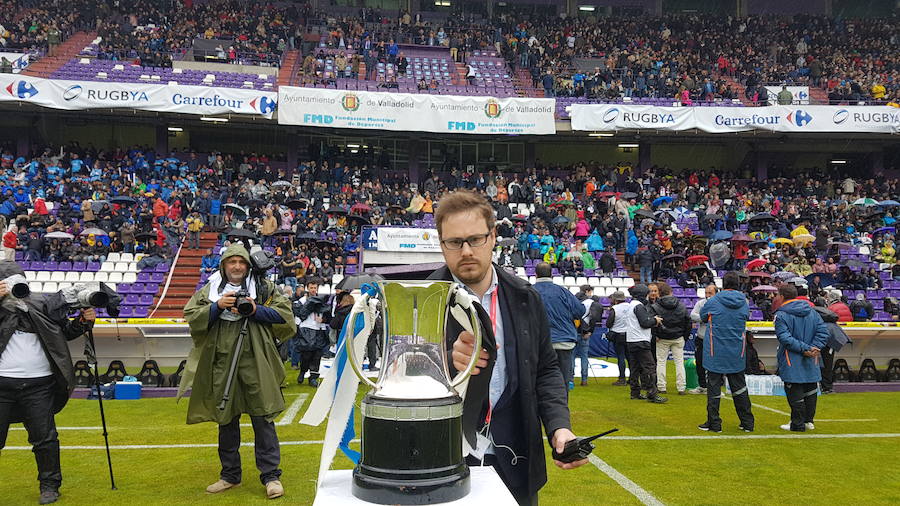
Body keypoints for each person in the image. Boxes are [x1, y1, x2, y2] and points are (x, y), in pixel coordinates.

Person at [429, 190, 586, 505]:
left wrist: (559, 428)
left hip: (516, 461)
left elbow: (546, 369)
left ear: (493, 236)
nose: (467, 250)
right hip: (441, 462)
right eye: (454, 242)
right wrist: (444, 360)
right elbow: (399, 374)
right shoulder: (423, 300)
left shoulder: (526, 297)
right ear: (441, 243)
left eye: (475, 239)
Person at [181, 244, 296, 499]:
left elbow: (285, 316)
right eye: (231, 262)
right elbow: (191, 314)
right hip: (222, 359)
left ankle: (271, 476)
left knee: (263, 416)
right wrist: (217, 306)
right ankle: (230, 475)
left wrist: (255, 310)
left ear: (247, 265)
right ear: (223, 265)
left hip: (256, 359)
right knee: (226, 418)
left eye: (241, 262)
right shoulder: (211, 289)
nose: (236, 267)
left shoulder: (264, 288)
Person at [0, 262, 96, 505]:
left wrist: (84, 322)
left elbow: (64, 332)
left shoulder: (42, 306)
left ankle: (50, 485)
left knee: (45, 439)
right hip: (2, 385)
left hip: (39, 385)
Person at [698, 272, 754, 432]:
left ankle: (714, 423)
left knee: (714, 387)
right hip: (737, 350)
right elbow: (745, 317)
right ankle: (747, 422)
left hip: (715, 350)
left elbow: (703, 316)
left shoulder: (714, 301)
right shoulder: (744, 302)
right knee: (740, 387)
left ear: (723, 284)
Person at [774, 283, 829, 432]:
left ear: (782, 296)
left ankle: (797, 423)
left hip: (792, 357)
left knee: (795, 389)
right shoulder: (812, 312)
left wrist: (806, 349)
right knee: (810, 388)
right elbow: (823, 332)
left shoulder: (781, 315)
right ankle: (808, 421)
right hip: (812, 356)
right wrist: (813, 348)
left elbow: (784, 338)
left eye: (777, 295)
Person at [532, 262, 586, 391]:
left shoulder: (530, 291)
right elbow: (580, 311)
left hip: (538, 343)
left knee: (539, 381)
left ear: (535, 275)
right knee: (562, 382)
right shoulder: (563, 291)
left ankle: (540, 410)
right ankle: (561, 410)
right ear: (552, 274)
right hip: (563, 341)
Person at [624, 284, 667, 403]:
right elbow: (644, 323)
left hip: (632, 340)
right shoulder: (638, 306)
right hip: (641, 340)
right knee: (650, 367)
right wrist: (655, 321)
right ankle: (652, 393)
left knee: (635, 368)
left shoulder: (631, 305)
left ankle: (635, 392)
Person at [650, 282, 691, 395]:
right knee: (679, 363)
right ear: (671, 292)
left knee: (661, 362)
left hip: (662, 338)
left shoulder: (655, 306)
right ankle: (681, 387)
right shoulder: (681, 305)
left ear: (659, 294)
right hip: (678, 337)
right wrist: (684, 336)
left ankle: (662, 386)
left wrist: (655, 335)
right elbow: (688, 322)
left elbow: (653, 323)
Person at [293, 279, 330, 387]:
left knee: (317, 355)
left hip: (319, 329)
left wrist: (323, 320)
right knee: (306, 354)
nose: (313, 290)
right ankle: (303, 371)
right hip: (307, 329)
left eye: (315, 288)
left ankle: (313, 378)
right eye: (311, 288)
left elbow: (328, 316)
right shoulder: (302, 301)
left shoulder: (322, 300)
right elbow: (299, 314)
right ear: (307, 288)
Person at [688, 284, 718, 394]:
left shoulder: (720, 305)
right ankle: (702, 386)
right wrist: (704, 318)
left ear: (716, 293)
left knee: (714, 363)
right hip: (701, 337)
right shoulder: (700, 303)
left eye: (710, 293)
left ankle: (714, 386)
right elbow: (692, 315)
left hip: (714, 338)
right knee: (699, 362)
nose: (707, 295)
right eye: (706, 293)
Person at [575, 285, 603, 386]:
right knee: (584, 356)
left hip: (574, 331)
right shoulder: (591, 303)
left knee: (571, 357)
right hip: (585, 332)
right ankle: (584, 379)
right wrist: (590, 331)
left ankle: (570, 379)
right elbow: (594, 318)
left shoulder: (574, 301)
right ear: (587, 291)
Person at [605, 290, 630, 386]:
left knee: (620, 357)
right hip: (629, 334)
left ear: (615, 300)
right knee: (630, 358)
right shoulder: (630, 306)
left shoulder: (615, 309)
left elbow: (609, 323)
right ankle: (633, 378)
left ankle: (622, 378)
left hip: (618, 335)